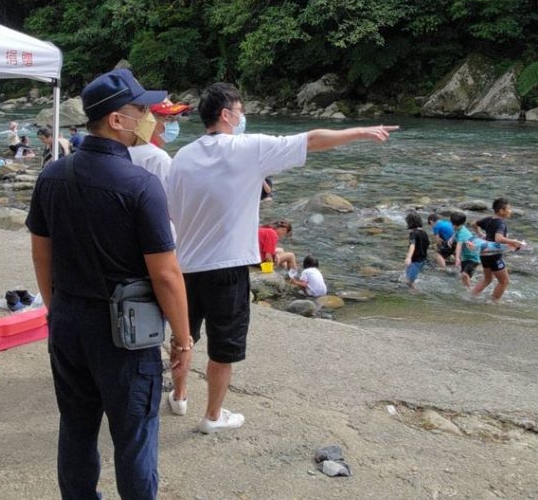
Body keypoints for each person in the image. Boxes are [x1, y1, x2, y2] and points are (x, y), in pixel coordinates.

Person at [166, 81, 397, 433]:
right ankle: (213, 416)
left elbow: (170, 211)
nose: (244, 118)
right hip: (227, 270)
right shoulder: (249, 148)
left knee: (184, 337)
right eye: (241, 112)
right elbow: (313, 140)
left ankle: (179, 397)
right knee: (224, 348)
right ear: (227, 115)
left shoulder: (182, 157)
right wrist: (361, 131)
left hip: (186, 268)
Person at [26, 68, 193, 499]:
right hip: (127, 332)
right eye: (141, 109)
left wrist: (56, 307)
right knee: (134, 432)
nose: (149, 116)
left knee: (77, 425)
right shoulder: (141, 184)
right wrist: (184, 337)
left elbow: (41, 253)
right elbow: (166, 274)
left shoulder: (52, 175)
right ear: (117, 120)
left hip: (67, 319)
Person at [470, 198, 525, 303]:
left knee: (487, 279)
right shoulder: (501, 223)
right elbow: (498, 239)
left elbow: (473, 223)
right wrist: (513, 241)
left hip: (484, 253)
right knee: (504, 281)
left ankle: (471, 297)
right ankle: (493, 303)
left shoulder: (488, 219)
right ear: (501, 211)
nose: (511, 211)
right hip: (493, 255)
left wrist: (480, 235)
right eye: (509, 209)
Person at [450, 212, 481, 289]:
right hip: (466, 257)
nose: (452, 225)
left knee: (464, 274)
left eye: (453, 224)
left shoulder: (463, 233)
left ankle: (469, 291)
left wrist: (457, 258)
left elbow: (459, 245)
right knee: (464, 276)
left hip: (473, 258)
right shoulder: (459, 228)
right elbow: (455, 233)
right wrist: (451, 238)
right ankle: (470, 287)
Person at [403, 212, 429, 292]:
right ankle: (413, 287)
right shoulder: (424, 232)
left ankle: (416, 293)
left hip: (416, 261)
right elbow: (427, 244)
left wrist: (409, 258)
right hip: (423, 259)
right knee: (408, 276)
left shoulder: (413, 234)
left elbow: (412, 245)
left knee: (409, 281)